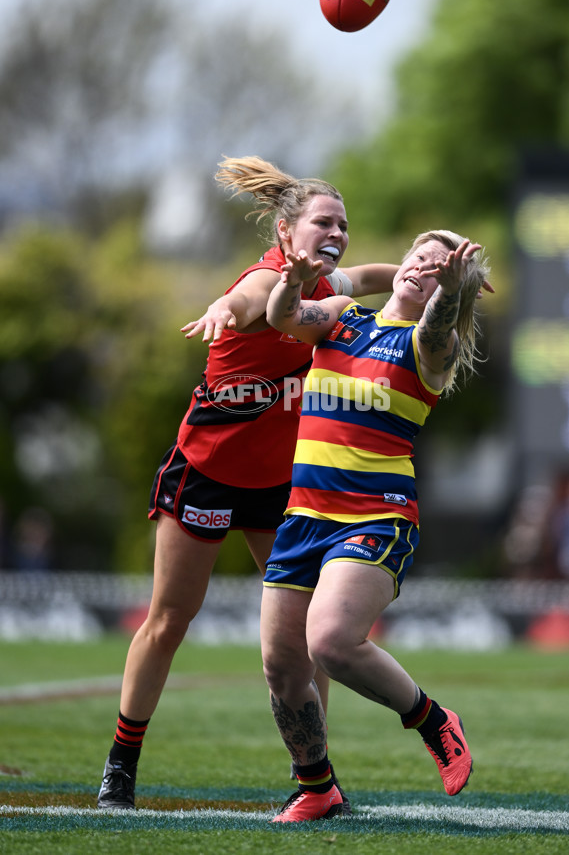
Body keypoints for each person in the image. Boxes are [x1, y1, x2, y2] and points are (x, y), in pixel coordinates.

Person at [97, 155, 404, 811]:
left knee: (306, 635)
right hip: (206, 471)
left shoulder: (321, 289)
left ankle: (316, 778)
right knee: (170, 619)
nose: (339, 232)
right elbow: (244, 301)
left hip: (276, 486)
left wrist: (419, 276)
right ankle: (120, 766)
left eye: (344, 224)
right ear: (286, 233)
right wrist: (218, 305)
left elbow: (372, 276)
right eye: (325, 220)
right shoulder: (269, 284)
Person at [260, 230, 491, 823]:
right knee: (283, 668)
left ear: (450, 288)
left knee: (331, 642)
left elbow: (440, 323)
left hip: (376, 515)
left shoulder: (427, 348)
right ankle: (318, 787)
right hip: (303, 516)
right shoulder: (342, 318)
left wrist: (452, 291)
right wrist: (290, 280)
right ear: (401, 262)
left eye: (439, 269)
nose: (423, 269)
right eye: (419, 258)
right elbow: (284, 317)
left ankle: (434, 721)